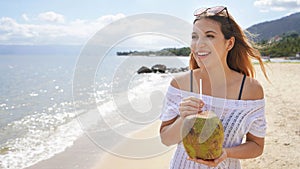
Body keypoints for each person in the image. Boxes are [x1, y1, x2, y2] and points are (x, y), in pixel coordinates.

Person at [159, 6, 268, 169]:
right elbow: (166, 139)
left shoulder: (250, 90)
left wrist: (225, 153)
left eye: (209, 36)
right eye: (194, 37)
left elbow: (257, 146)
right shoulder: (180, 84)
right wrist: (183, 118)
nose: (199, 44)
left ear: (229, 43)